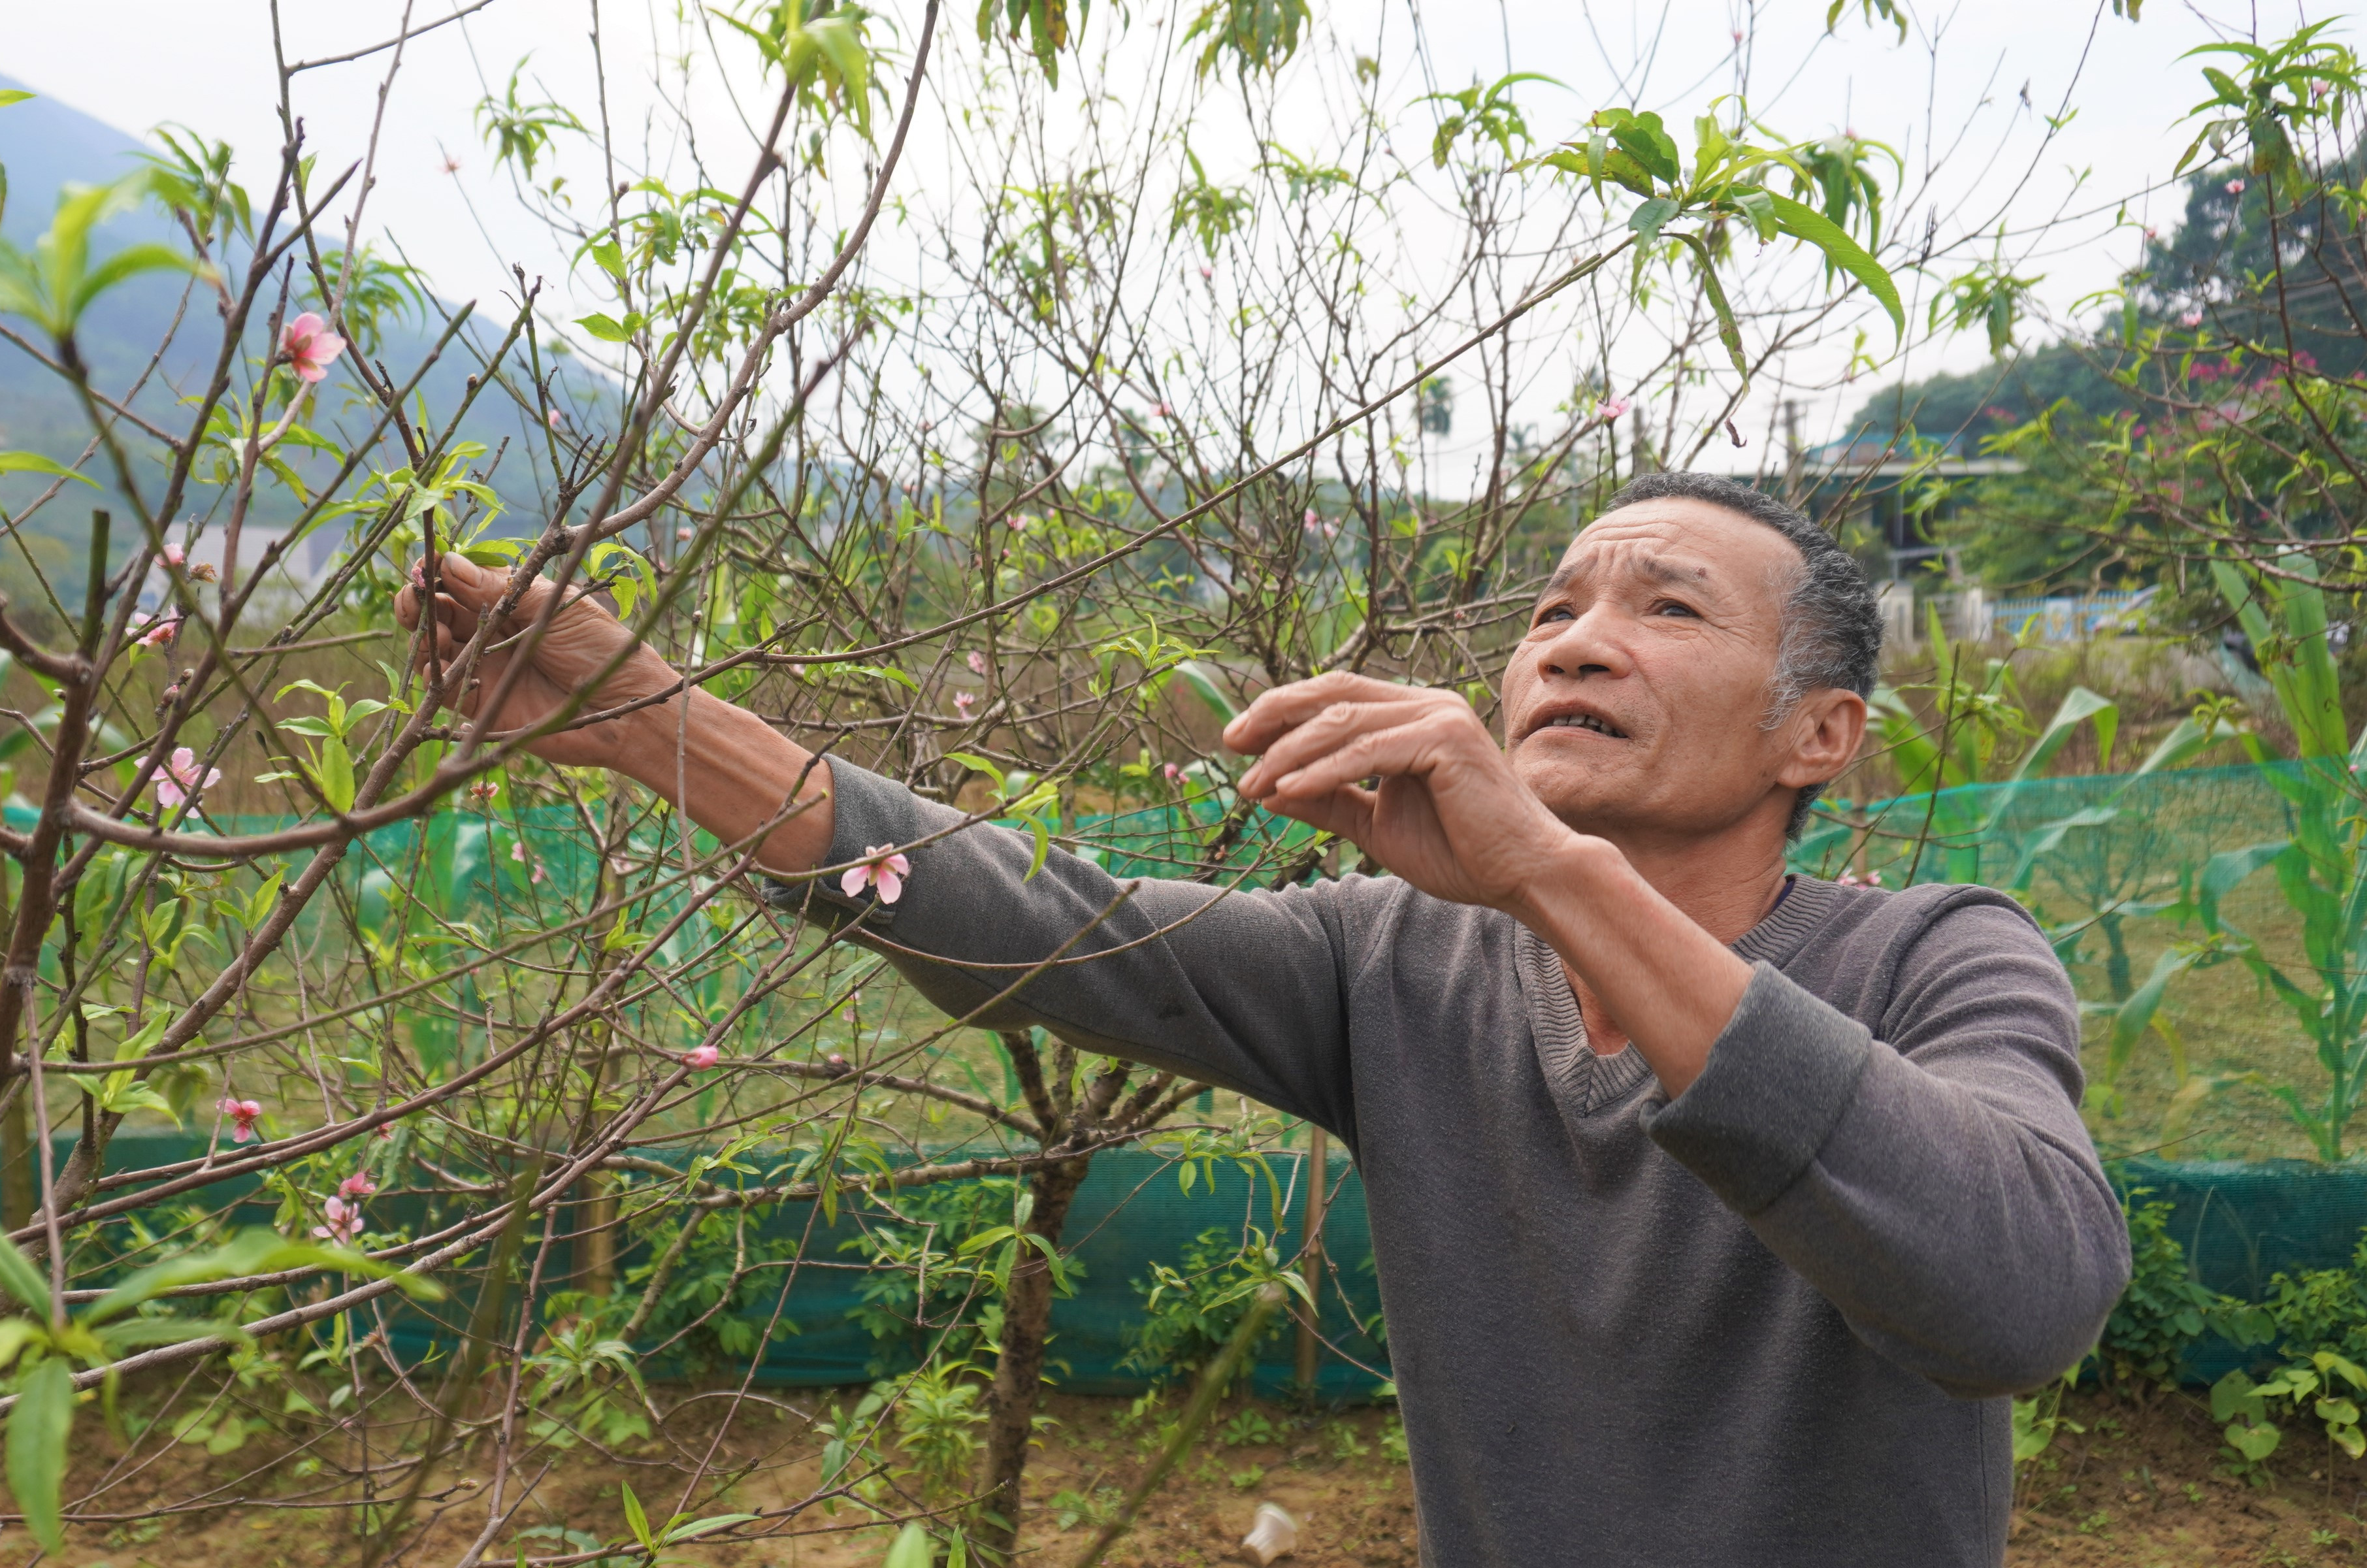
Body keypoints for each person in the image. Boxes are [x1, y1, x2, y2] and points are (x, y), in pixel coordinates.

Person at [396, 471, 2129, 1566]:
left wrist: (1535, 862)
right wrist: (658, 729)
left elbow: (2018, 1294)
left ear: (1817, 737)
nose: (1575, 644)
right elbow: (1049, 925)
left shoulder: (1941, 961)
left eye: (1665, 609)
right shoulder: (1395, 965)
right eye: (1551, 611)